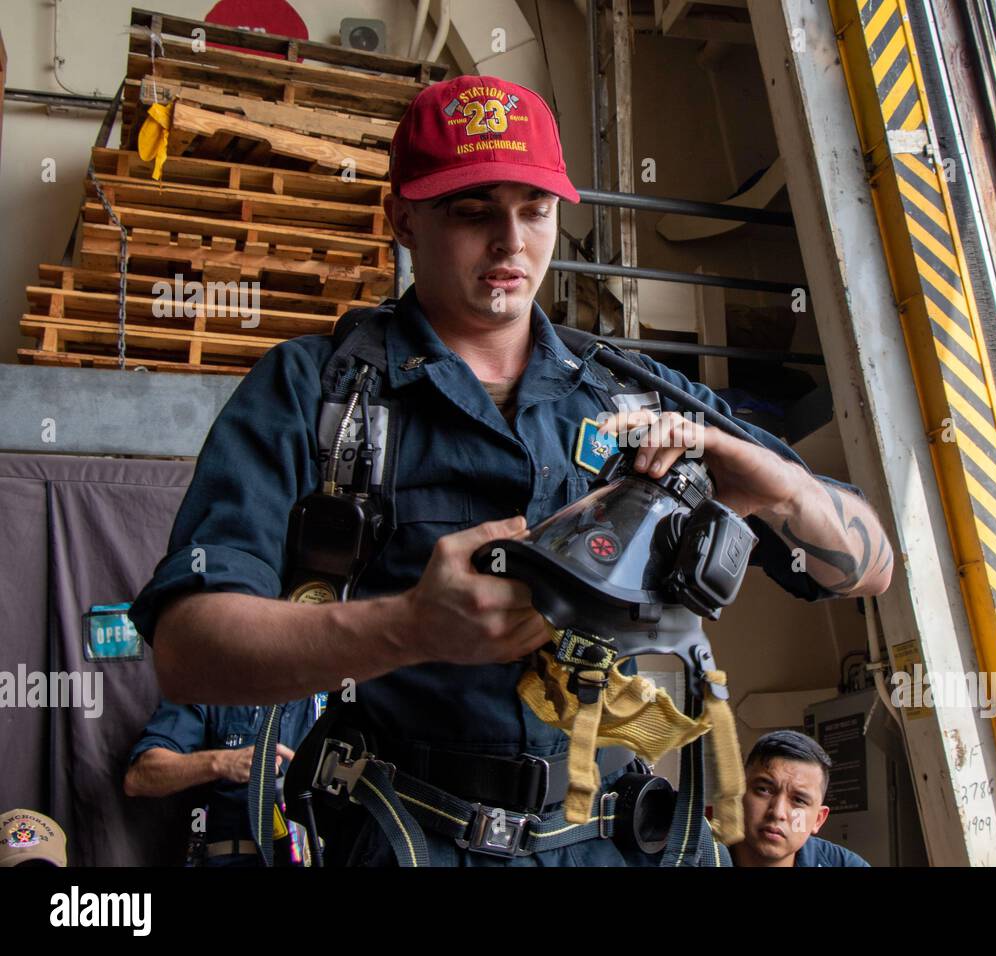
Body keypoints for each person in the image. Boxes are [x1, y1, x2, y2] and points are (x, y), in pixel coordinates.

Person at [128, 73, 893, 867]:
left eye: (535, 210)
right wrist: (404, 628)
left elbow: (869, 566)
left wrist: (777, 485)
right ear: (403, 219)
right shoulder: (313, 391)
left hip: (617, 841)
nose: (511, 242)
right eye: (472, 210)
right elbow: (187, 649)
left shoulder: (644, 397)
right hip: (406, 834)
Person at [124, 698, 318, 866]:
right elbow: (140, 776)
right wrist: (222, 762)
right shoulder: (211, 684)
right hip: (236, 855)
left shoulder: (334, 688)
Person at [732, 730, 870, 867]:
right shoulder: (711, 854)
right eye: (764, 790)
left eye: (799, 800)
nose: (778, 813)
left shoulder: (847, 864)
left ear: (818, 820)